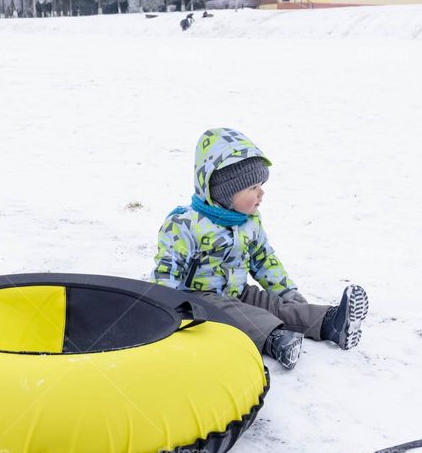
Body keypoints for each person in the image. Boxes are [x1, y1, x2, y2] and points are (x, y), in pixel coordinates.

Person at [151, 128, 368, 370]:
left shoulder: (248, 221)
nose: (261, 193)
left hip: (238, 289)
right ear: (225, 192)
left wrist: (285, 291)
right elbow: (167, 269)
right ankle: (276, 339)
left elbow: (263, 259)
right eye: (253, 187)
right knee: (239, 315)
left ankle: (330, 322)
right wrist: (165, 310)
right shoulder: (185, 224)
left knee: (272, 304)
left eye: (261, 185)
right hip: (196, 300)